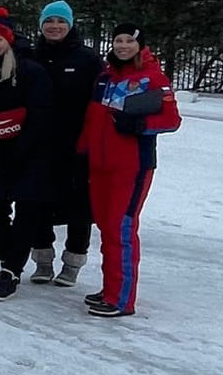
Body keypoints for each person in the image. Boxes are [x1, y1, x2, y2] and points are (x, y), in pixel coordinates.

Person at [77, 24, 181, 317]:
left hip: (132, 166)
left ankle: (121, 299)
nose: (123, 46)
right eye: (118, 40)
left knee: (120, 228)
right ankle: (110, 288)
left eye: (129, 41)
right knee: (106, 227)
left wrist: (140, 125)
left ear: (140, 45)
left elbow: (172, 120)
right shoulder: (105, 77)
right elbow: (92, 120)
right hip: (100, 165)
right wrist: (82, 151)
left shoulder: (152, 78)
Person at [0, 19, 53, 300]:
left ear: (8, 42)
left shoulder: (29, 70)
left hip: (31, 152)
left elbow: (41, 113)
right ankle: (7, 260)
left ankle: (12, 270)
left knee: (25, 212)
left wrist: (21, 149)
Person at [28, 0, 101, 287]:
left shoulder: (88, 59)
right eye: (49, 21)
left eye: (60, 21)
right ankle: (42, 261)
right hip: (39, 143)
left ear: (70, 25)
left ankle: (73, 262)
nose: (54, 26)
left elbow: (100, 103)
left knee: (79, 205)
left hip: (77, 145)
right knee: (38, 202)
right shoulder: (32, 56)